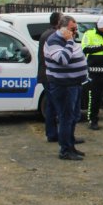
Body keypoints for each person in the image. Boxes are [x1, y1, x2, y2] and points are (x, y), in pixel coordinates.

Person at [44, 15, 89, 160]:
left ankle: (71, 145)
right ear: (63, 29)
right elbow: (62, 60)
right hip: (63, 86)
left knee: (74, 116)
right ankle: (65, 150)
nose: (75, 32)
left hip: (74, 84)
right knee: (65, 118)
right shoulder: (54, 41)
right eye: (72, 29)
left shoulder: (68, 40)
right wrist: (70, 42)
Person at [38, 12, 62, 143]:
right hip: (50, 75)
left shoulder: (46, 34)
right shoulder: (52, 36)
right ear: (58, 22)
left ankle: (52, 133)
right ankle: (53, 134)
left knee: (52, 106)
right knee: (54, 106)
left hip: (46, 74)